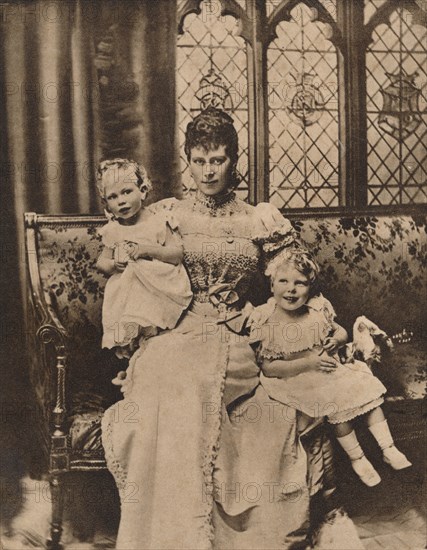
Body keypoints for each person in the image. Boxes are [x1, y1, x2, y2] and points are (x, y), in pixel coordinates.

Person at [101, 108, 361, 549]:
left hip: (237, 333)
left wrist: (324, 325)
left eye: (217, 160)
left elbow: (294, 277)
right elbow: (131, 277)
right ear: (187, 159)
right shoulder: (168, 214)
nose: (207, 171)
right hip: (175, 331)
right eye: (199, 160)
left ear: (234, 160)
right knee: (166, 385)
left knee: (202, 388)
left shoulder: (258, 218)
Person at [254, 247, 412, 487]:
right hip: (297, 378)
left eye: (300, 283)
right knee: (336, 406)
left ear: (310, 287)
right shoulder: (267, 320)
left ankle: (388, 447)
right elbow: (269, 367)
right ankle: (357, 458)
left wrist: (337, 339)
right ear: (272, 285)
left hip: (328, 371)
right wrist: (309, 362)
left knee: (367, 390)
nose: (291, 289)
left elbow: (340, 330)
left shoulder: (316, 311)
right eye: (283, 281)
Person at [96, 158, 192, 357]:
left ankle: (153, 353)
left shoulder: (158, 221)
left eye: (127, 192)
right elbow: (101, 263)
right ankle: (132, 365)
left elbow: (176, 255)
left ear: (143, 190)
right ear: (106, 203)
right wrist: (114, 264)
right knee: (131, 332)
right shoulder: (113, 230)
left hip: (158, 288)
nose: (121, 201)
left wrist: (147, 250)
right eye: (113, 197)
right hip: (127, 294)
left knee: (157, 337)